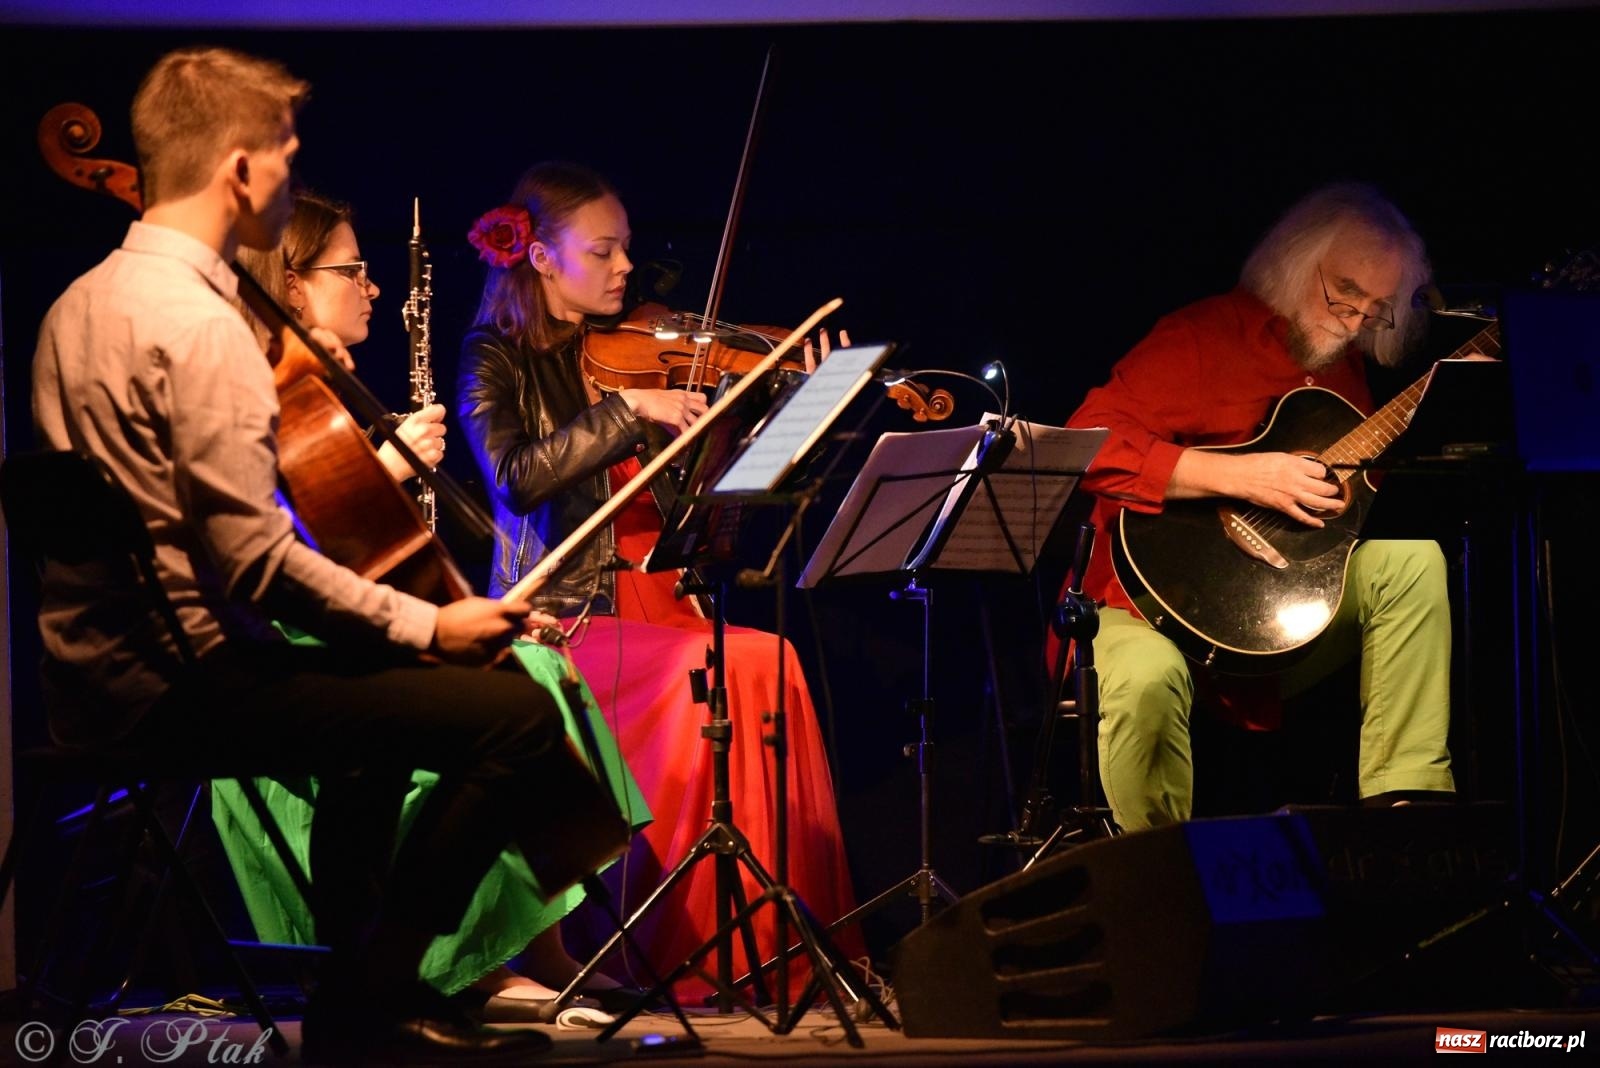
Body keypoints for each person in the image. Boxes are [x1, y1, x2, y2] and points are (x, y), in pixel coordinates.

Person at [29, 46, 607, 1061]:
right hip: (192, 686)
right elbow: (258, 566)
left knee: (381, 713)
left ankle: (356, 984)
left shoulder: (74, 307)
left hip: (96, 683)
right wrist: (433, 623)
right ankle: (373, 995)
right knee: (514, 717)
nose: (292, 184)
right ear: (239, 169)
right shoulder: (201, 328)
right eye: (287, 161)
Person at [213, 191, 650, 1022]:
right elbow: (270, 555)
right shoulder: (253, 392)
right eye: (353, 270)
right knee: (513, 690)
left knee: (535, 659)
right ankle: (454, 965)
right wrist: (386, 471)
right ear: (293, 285)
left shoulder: (324, 392)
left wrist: (466, 614)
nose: (374, 287)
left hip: (354, 631)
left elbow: (374, 564)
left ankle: (542, 946)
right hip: (294, 652)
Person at [457, 161, 860, 997]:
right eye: (602, 251)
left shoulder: (639, 352)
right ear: (540, 258)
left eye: (626, 249)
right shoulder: (493, 356)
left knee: (772, 660)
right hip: (571, 615)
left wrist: (786, 407)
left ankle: (765, 953)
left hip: (664, 593)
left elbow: (703, 502)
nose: (625, 268)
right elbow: (515, 476)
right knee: (710, 672)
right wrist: (627, 412)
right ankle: (679, 953)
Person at [1064, 182, 1457, 834]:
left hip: (1268, 625)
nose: (1355, 321)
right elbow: (1086, 444)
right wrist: (1242, 475)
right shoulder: (1201, 336)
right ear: (1298, 261)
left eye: (1377, 309)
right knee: (1146, 680)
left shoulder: (1344, 372)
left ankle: (1406, 808)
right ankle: (1160, 872)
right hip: (1138, 609)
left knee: (1412, 563)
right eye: (1345, 292)